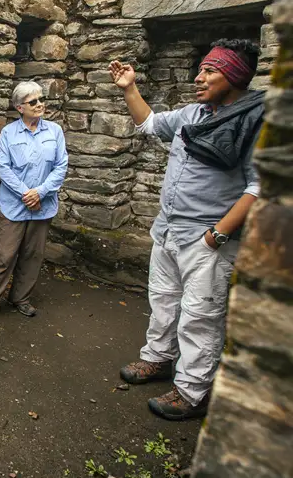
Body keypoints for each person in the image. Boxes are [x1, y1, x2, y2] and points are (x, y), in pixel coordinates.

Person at [109, 38, 264, 421]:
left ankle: (193, 391)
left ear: (235, 76)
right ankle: (159, 358)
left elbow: (260, 186)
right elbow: (149, 124)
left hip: (207, 240)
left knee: (200, 316)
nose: (199, 76)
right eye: (200, 69)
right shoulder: (192, 114)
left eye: (210, 70)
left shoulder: (254, 122)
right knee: (163, 300)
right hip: (168, 230)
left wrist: (217, 234)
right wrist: (130, 88)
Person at [0, 81, 68, 326]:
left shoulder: (54, 131)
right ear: (19, 107)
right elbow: (3, 168)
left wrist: (41, 193)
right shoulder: (9, 133)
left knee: (32, 256)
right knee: (3, 256)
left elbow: (61, 166)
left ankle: (20, 298)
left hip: (43, 206)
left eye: (41, 99)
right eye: (33, 101)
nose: (40, 104)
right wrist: (27, 194)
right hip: (13, 206)